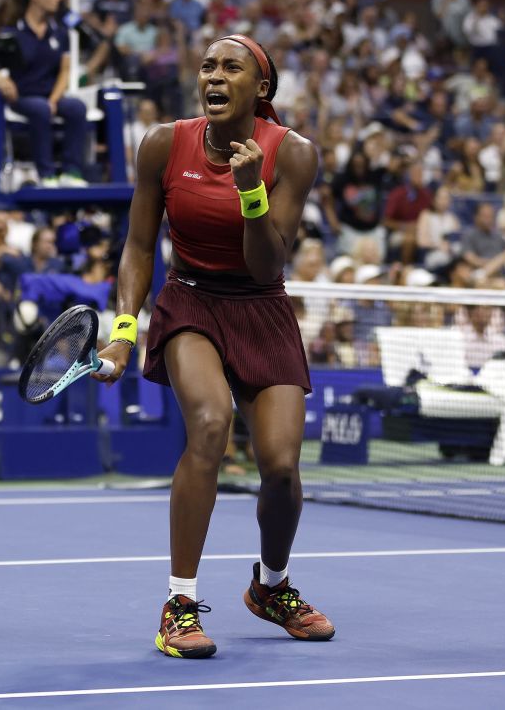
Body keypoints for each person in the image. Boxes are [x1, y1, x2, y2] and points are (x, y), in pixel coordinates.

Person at [96, 33, 334, 659]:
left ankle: (271, 587)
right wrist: (124, 333)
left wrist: (251, 189)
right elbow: (140, 247)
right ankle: (178, 606)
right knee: (209, 423)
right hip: (192, 302)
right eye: (207, 67)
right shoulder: (162, 145)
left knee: (281, 467)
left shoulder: (295, 155)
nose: (214, 76)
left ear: (261, 88)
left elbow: (264, 267)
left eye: (232, 67)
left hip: (261, 308)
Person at [0, 0, 89, 187]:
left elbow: (65, 71)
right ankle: (46, 174)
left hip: (50, 96)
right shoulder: (13, 33)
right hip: (22, 97)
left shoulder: (59, 33)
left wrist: (54, 99)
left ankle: (71, 171)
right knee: (40, 108)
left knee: (77, 108)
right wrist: (2, 80)